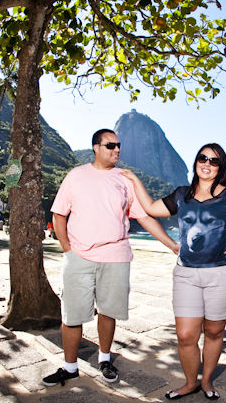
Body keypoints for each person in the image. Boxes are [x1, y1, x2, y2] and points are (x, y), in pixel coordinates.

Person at [121, 143, 226, 401]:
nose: (207, 164)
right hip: (187, 274)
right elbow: (152, 209)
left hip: (223, 275)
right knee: (186, 334)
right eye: (203, 158)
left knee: (213, 332)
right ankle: (190, 383)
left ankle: (207, 381)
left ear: (221, 168)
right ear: (196, 161)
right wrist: (133, 179)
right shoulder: (182, 195)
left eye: (214, 161)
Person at [42, 129, 179, 388]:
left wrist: (171, 244)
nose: (117, 150)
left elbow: (144, 216)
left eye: (119, 146)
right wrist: (67, 250)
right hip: (79, 256)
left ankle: (104, 359)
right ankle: (70, 367)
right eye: (110, 145)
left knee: (108, 311)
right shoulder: (76, 176)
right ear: (95, 147)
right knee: (71, 315)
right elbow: (59, 214)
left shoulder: (124, 180)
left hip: (116, 256)